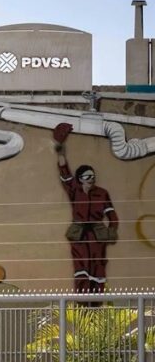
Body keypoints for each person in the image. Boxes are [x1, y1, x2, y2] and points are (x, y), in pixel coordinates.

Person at [54, 123, 118, 296]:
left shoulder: (102, 193)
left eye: (93, 176)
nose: (91, 178)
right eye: (87, 176)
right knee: (81, 268)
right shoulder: (74, 190)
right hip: (79, 233)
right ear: (80, 179)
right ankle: (83, 303)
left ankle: (96, 301)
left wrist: (110, 233)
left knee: (98, 266)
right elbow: (64, 171)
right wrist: (60, 148)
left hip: (97, 234)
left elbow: (112, 216)